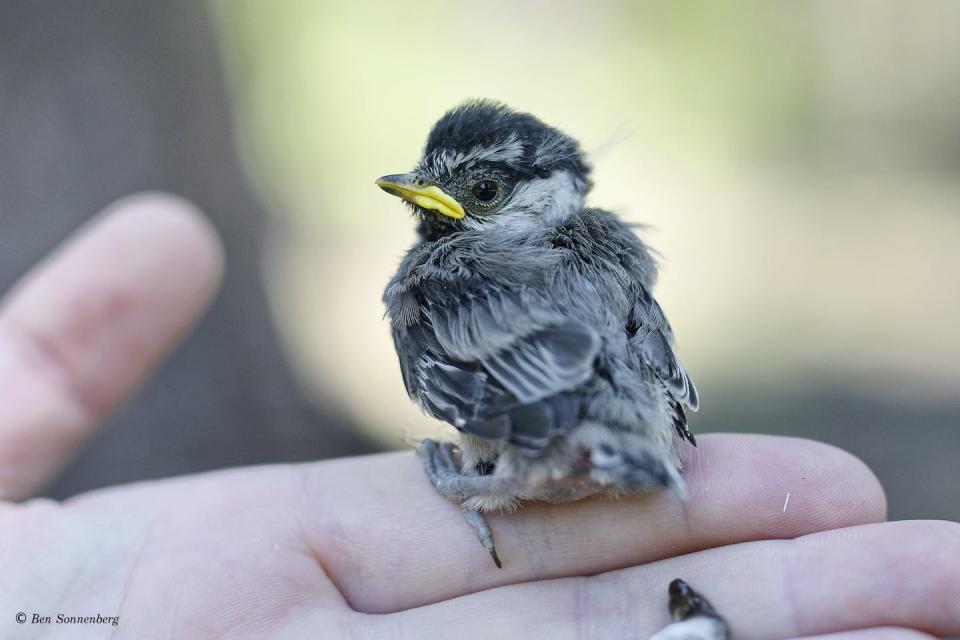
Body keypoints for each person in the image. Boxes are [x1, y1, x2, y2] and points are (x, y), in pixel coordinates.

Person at [1, 194, 956, 640]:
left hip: (588, 435)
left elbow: (519, 390)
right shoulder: (583, 258)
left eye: (480, 190)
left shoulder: (437, 287)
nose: (435, 201)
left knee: (476, 468)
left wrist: (475, 482)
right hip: (640, 430)